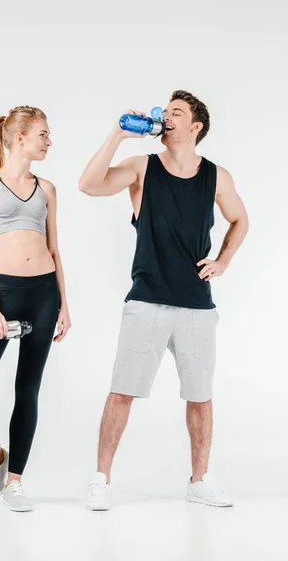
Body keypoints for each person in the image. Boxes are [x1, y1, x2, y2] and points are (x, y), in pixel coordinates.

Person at [79, 90, 248, 510]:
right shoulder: (142, 168)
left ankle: (199, 480)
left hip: (196, 304)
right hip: (147, 301)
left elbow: (241, 219)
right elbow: (88, 185)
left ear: (195, 128)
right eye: (166, 111)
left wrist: (223, 261)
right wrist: (117, 135)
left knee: (200, 395)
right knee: (122, 391)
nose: (166, 117)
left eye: (177, 113)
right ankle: (100, 480)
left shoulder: (217, 176)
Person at [0, 105, 71, 512]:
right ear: (20, 138)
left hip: (43, 294)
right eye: (43, 134)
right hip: (3, 295)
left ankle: (15, 481)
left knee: (27, 388)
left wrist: (63, 305)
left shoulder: (48, 189)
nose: (49, 141)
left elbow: (55, 249)